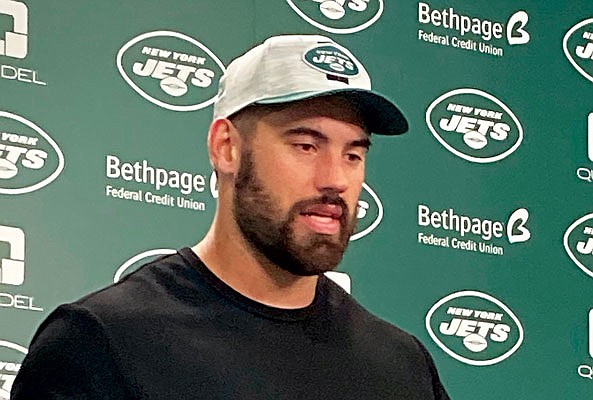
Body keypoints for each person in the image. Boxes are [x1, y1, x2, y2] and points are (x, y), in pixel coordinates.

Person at [11, 34, 450, 399]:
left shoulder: (401, 365)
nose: (335, 179)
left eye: (353, 154)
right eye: (306, 145)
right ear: (226, 148)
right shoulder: (101, 344)